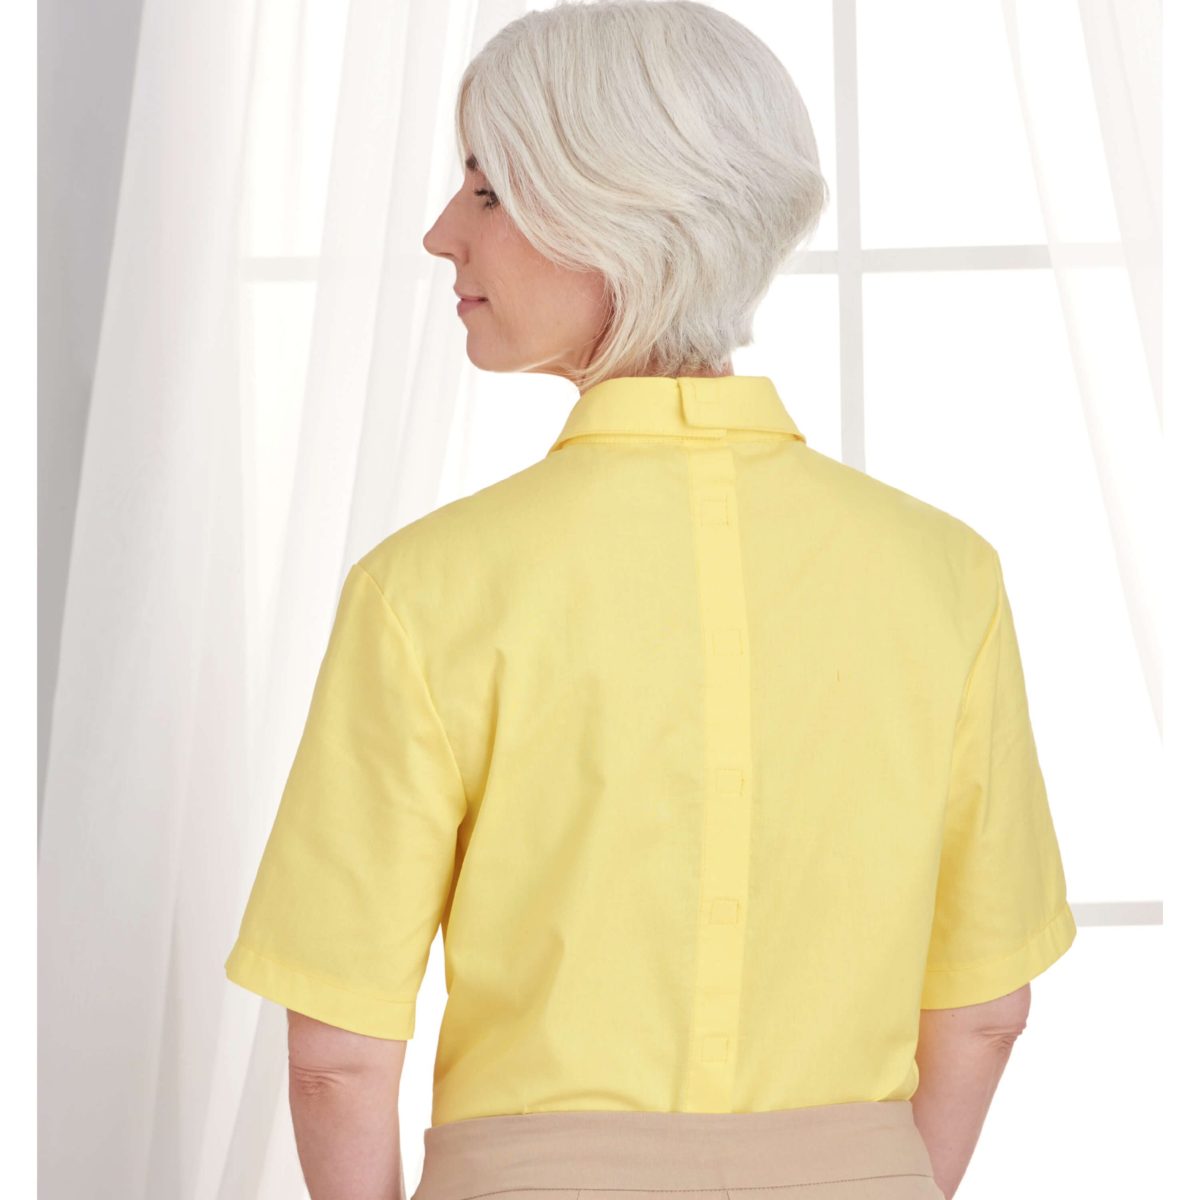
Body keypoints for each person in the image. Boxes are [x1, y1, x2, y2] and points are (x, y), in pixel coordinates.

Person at [224, 3, 1076, 1199]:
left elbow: (337, 1058)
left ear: (614, 216)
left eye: (487, 191)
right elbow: (986, 1010)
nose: (440, 234)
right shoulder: (945, 574)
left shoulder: (427, 589)